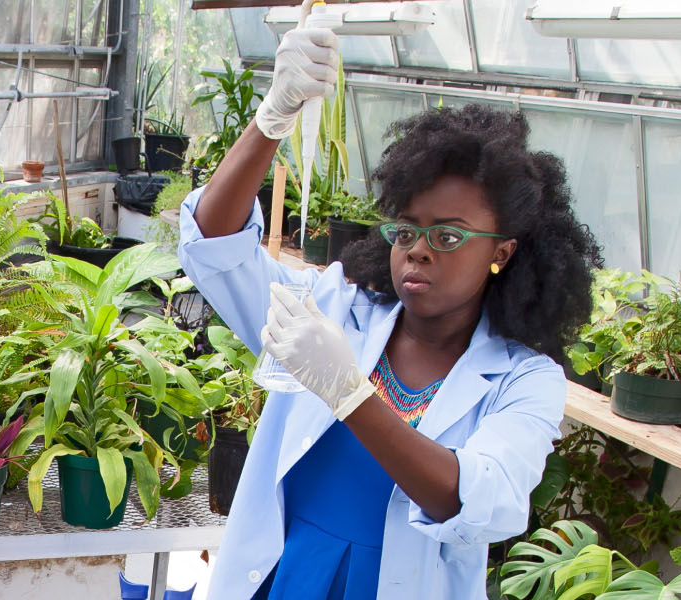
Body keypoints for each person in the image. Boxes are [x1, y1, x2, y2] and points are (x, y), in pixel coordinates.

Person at [175, 23, 602, 600]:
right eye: (407, 229)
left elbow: (480, 500)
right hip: (281, 575)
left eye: (449, 235)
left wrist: (349, 393)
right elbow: (216, 250)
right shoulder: (338, 309)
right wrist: (273, 118)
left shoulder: (525, 380)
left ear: (502, 251)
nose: (419, 248)